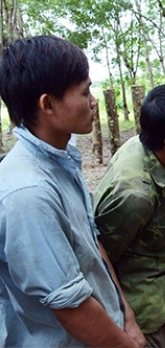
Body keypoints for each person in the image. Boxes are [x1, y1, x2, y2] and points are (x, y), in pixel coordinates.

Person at [0, 35, 144, 347]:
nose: (93, 102)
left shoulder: (61, 160)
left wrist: (126, 316)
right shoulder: (29, 192)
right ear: (47, 104)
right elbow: (71, 307)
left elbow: (92, 245)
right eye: (84, 92)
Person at [94, 84, 165, 347]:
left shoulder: (155, 152)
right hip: (141, 311)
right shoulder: (135, 194)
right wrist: (127, 319)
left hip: (161, 295)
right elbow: (99, 258)